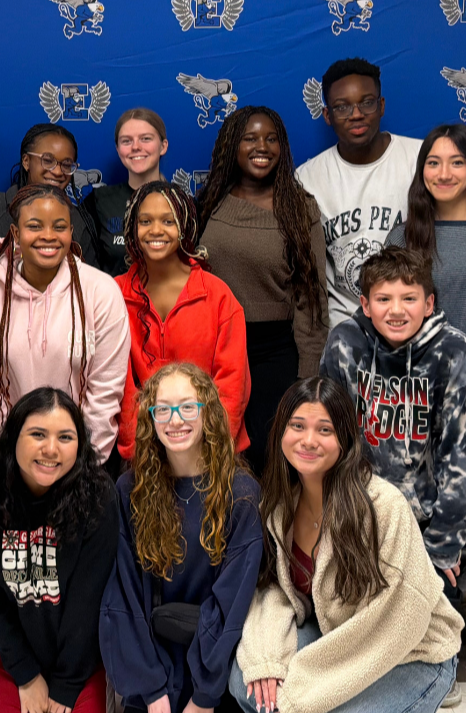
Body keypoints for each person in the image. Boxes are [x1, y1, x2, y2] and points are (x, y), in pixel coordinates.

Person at [230, 377, 463, 713]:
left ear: (344, 439)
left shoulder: (383, 506)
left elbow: (398, 620)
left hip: (413, 653)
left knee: (307, 705)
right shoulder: (281, 504)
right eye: (298, 426)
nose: (309, 440)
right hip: (338, 635)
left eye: (324, 429)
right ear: (281, 432)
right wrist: (268, 660)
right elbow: (274, 589)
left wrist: (306, 693)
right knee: (248, 681)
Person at [100, 362, 262, 712]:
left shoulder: (241, 495)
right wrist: (151, 690)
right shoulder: (130, 490)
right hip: (149, 673)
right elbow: (122, 598)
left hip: (215, 679)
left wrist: (203, 698)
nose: (175, 420)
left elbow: (232, 606)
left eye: (188, 407)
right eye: (164, 409)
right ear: (150, 418)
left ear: (208, 413)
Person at [319, 248, 466, 606]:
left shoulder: (453, 352)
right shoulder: (344, 343)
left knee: (423, 621)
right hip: (359, 515)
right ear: (365, 304)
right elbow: (327, 436)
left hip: (425, 525)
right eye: (384, 298)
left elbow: (459, 457)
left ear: (429, 304)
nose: (396, 310)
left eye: (409, 298)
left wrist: (442, 547)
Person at [0, 387, 117, 713]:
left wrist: (67, 685)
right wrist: (27, 675)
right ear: (14, 436)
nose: (51, 449)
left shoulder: (99, 496)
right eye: (38, 434)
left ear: (81, 444)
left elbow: (89, 602)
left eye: (65, 437)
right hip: (9, 653)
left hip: (80, 658)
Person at [199, 106, 328, 476]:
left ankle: (272, 535)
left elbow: (311, 298)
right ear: (232, 146)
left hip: (274, 353)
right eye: (251, 138)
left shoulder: (298, 208)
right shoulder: (209, 203)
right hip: (216, 347)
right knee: (217, 455)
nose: (262, 146)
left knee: (272, 460)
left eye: (271, 138)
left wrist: (308, 376)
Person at [0, 184, 130, 466]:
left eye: (59, 227)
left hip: (83, 463)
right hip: (10, 462)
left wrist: (83, 462)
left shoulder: (102, 292)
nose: (48, 236)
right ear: (16, 234)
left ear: (71, 232)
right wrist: (9, 458)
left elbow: (105, 391)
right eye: (34, 226)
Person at [117, 181, 251, 461]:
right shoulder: (114, 294)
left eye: (168, 221)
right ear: (132, 227)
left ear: (185, 226)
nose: (156, 230)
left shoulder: (217, 295)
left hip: (211, 452)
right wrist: (138, 453)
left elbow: (232, 383)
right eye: (145, 221)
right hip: (145, 453)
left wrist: (211, 450)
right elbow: (122, 384)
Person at [296, 58, 423, 327]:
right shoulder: (307, 178)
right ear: (328, 116)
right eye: (342, 107)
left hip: (413, 325)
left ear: (381, 106)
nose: (356, 114)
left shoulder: (420, 160)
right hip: (346, 332)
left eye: (366, 102)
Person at [0, 123, 98, 292]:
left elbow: (89, 288)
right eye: (48, 161)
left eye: (66, 165)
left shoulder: (79, 221)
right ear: (26, 161)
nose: (58, 172)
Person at [386, 124, 466, 332]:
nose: (444, 174)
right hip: (420, 362)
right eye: (433, 163)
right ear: (422, 170)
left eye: (457, 162)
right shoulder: (401, 238)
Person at [84, 108, 169, 276]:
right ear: (118, 149)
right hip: (115, 300)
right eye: (126, 141)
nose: (136, 147)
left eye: (146, 139)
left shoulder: (182, 203)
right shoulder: (99, 201)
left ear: (163, 146)